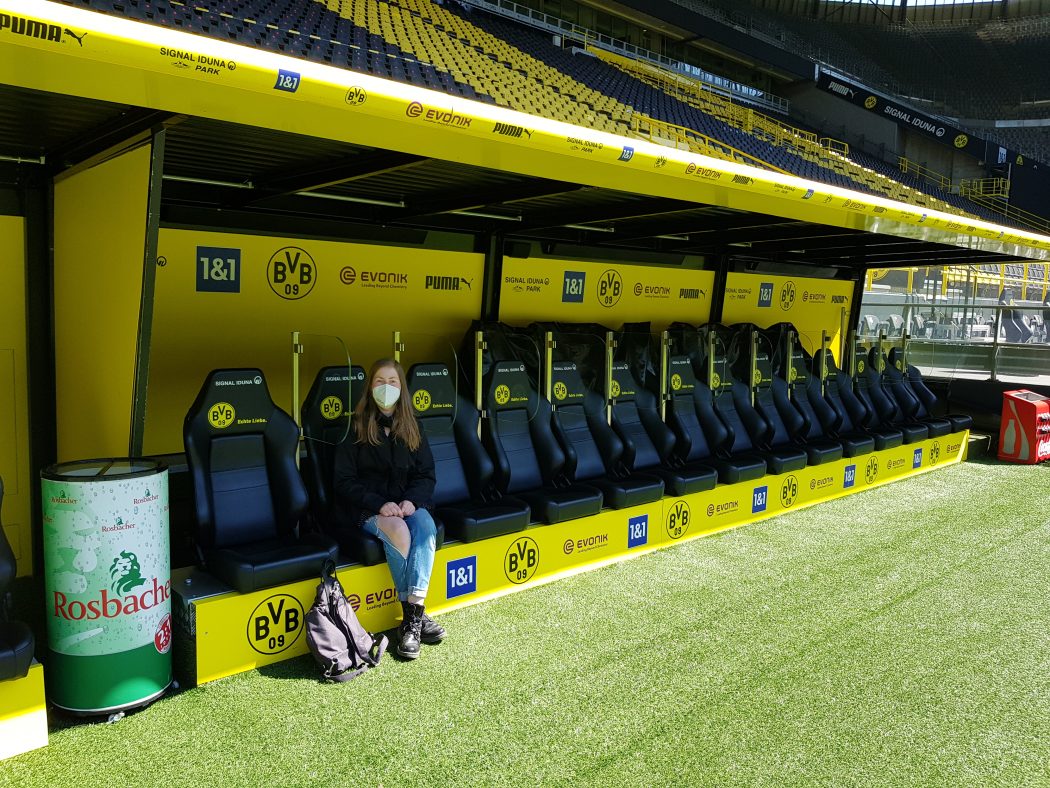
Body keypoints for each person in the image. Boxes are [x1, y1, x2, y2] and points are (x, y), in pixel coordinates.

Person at [333, 358, 445, 659]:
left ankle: (411, 619)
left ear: (401, 388)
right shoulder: (355, 427)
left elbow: (426, 475)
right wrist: (380, 504)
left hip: (408, 504)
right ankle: (415, 620)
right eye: (379, 381)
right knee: (398, 530)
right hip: (367, 509)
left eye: (392, 381)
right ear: (370, 388)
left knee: (424, 525)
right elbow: (344, 482)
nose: (386, 387)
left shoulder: (413, 427)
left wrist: (411, 501)